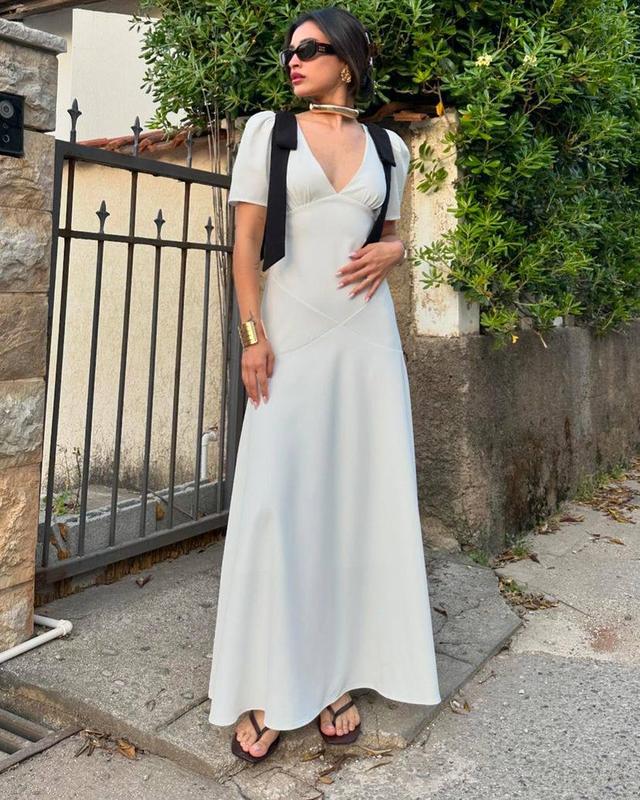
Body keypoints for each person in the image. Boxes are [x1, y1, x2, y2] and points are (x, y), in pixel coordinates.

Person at [207, 6, 442, 763]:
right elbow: (246, 244)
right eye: (290, 50)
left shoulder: (390, 148)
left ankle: (336, 675)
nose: (294, 59)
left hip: (365, 345)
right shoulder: (268, 133)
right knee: (279, 502)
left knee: (353, 501)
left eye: (309, 48)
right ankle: (272, 682)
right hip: (290, 341)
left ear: (346, 60)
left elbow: (390, 235)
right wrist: (253, 338)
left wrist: (396, 252)